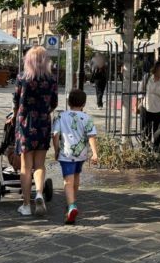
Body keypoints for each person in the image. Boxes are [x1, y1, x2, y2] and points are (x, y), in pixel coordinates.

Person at [13, 46, 58, 217]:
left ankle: (26, 205)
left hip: (25, 123)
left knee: (26, 166)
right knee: (40, 164)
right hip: (43, 122)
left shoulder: (22, 77)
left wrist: (16, 115)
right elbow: (54, 103)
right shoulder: (51, 79)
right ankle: (39, 193)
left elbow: (16, 101)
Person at [52, 89, 99, 224]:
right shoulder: (87, 118)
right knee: (76, 177)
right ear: (84, 103)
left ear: (68, 102)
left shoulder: (61, 116)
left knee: (68, 181)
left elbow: (55, 135)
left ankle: (71, 206)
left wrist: (56, 150)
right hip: (81, 154)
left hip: (66, 154)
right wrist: (94, 153)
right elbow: (92, 136)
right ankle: (72, 201)